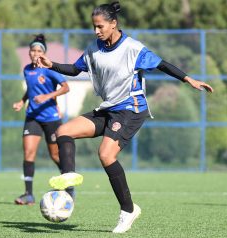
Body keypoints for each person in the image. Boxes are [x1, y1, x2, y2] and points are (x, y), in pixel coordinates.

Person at [37, 1, 214, 233]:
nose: (96, 31)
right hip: (109, 109)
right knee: (63, 132)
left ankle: (128, 210)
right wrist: (53, 65)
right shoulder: (94, 48)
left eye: (100, 26)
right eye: (94, 26)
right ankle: (69, 174)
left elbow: (162, 64)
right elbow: (76, 68)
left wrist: (188, 79)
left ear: (113, 24)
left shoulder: (132, 48)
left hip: (131, 109)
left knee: (105, 154)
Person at [13, 34, 72, 205]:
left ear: (43, 53)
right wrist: (22, 101)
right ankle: (28, 194)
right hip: (32, 117)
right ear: (29, 52)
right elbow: (31, 89)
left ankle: (69, 188)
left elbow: (66, 87)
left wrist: (47, 96)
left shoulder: (49, 69)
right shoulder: (27, 69)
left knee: (55, 154)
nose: (35, 53)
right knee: (28, 153)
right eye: (33, 50)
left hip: (51, 118)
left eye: (39, 50)